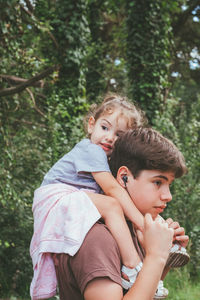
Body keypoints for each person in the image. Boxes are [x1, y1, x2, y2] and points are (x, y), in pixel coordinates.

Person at [30, 94, 149, 300]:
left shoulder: (106, 159)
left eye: (119, 135)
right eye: (105, 128)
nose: (110, 137)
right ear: (91, 125)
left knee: (112, 211)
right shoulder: (91, 149)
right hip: (55, 197)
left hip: (63, 200)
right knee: (111, 205)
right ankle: (133, 267)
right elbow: (112, 190)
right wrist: (143, 224)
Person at [53, 127, 189, 300]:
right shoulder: (97, 238)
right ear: (124, 177)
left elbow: (144, 294)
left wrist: (165, 255)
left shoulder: (132, 231)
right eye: (157, 182)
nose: (167, 196)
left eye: (169, 185)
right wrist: (156, 257)